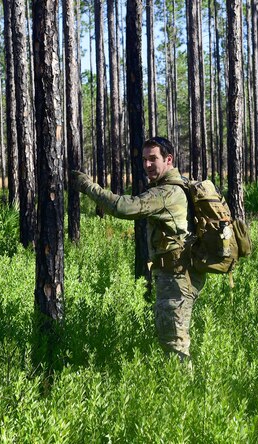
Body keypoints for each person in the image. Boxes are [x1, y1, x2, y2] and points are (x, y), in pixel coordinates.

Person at [72, 137, 205, 363]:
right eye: (144, 160)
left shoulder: (165, 193)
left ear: (168, 160)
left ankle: (184, 391)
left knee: (175, 344)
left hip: (176, 278)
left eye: (153, 159)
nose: (147, 165)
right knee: (172, 338)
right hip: (178, 275)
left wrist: (87, 186)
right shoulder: (178, 185)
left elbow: (123, 207)